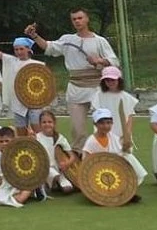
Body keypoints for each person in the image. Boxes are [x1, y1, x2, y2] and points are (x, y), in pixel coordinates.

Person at [25, 8, 119, 151]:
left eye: (80, 18)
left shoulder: (100, 41)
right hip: (76, 88)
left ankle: (104, 156)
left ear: (87, 19)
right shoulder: (68, 40)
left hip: (97, 88)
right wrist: (34, 36)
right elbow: (49, 47)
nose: (77, 21)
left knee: (101, 126)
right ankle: (78, 159)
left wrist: (99, 60)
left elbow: (114, 61)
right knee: (78, 130)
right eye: (74, 19)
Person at [0, 30, 44, 135]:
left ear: (28, 49)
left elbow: (44, 86)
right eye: (16, 49)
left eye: (21, 49)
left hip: (34, 102)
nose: (18, 52)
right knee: (21, 134)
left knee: (38, 132)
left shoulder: (38, 65)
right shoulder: (11, 61)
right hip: (18, 102)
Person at [83, 108, 147, 199]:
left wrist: (126, 148)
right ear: (95, 124)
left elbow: (120, 154)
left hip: (114, 169)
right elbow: (87, 162)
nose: (105, 126)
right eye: (102, 123)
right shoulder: (91, 141)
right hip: (97, 172)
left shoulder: (114, 138)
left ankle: (126, 190)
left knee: (128, 157)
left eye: (108, 123)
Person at [90, 66, 138, 149]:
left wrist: (127, 133)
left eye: (113, 80)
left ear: (119, 80)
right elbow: (96, 115)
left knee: (122, 158)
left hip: (120, 132)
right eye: (107, 80)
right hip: (103, 132)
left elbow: (130, 116)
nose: (110, 82)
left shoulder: (125, 97)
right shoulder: (98, 95)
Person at [0, 127, 33, 208]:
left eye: (7, 141)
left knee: (21, 197)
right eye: (1, 141)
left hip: (22, 182)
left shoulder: (21, 153)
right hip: (6, 183)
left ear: (13, 140)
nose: (4, 143)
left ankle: (30, 192)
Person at [34, 110, 75, 194]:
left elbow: (72, 156)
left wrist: (67, 164)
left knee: (68, 189)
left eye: (49, 122)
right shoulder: (37, 137)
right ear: (40, 124)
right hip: (44, 169)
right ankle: (50, 183)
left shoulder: (60, 138)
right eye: (44, 122)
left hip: (59, 169)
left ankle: (55, 184)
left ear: (54, 123)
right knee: (52, 174)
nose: (47, 124)